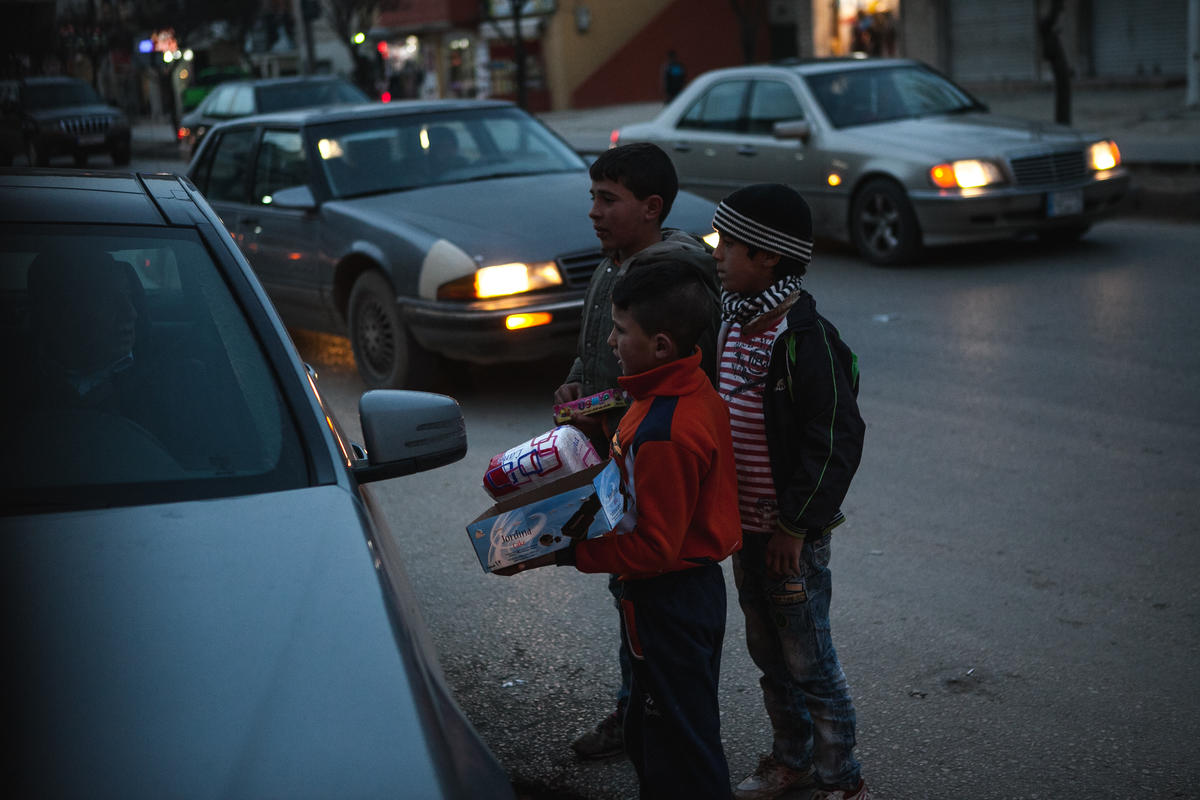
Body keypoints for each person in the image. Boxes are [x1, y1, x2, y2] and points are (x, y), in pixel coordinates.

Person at [507, 261, 742, 799]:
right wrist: (597, 424)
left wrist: (559, 551)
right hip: (681, 595)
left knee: (680, 745)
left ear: (660, 345)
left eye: (619, 330)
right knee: (651, 728)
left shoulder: (665, 432)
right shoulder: (673, 391)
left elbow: (654, 547)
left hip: (669, 600)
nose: (610, 341)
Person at [553, 141, 719, 759]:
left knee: (649, 588)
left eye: (607, 199)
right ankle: (635, 716)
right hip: (614, 449)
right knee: (630, 599)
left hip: (648, 459)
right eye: (592, 197)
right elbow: (595, 343)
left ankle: (657, 726)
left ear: (651, 208)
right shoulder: (612, 263)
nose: (593, 212)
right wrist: (577, 383)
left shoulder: (671, 279)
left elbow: (681, 376)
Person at [710, 184, 869, 800]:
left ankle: (841, 777)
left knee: (810, 660)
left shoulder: (804, 338)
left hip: (789, 539)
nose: (718, 254)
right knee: (768, 654)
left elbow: (834, 442)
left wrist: (795, 527)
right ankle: (791, 758)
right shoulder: (729, 323)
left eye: (729, 245)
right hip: (743, 531)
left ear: (769, 257)